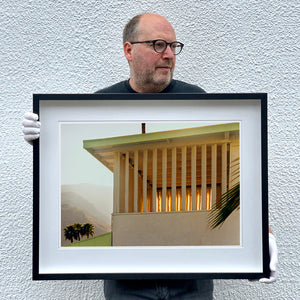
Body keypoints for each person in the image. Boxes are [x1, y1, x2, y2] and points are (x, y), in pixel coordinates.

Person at [22, 13, 278, 300]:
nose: (169, 54)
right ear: (128, 50)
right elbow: (62, 166)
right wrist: (45, 144)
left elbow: (236, 169)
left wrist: (261, 232)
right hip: (126, 284)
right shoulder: (101, 105)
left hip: (192, 281)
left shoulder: (198, 101)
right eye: (158, 45)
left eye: (173, 46)